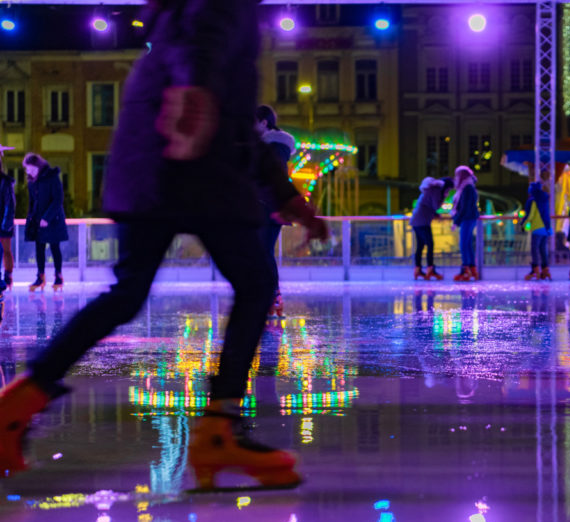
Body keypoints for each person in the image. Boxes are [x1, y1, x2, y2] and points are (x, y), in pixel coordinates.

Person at [0, 0, 326, 488]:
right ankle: (219, 427)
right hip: (188, 160)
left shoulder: (181, 20)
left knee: (129, 293)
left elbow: (234, 116)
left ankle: (17, 406)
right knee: (256, 282)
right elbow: (201, 45)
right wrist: (192, 93)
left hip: (155, 161)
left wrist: (285, 197)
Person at [254, 104, 296, 318]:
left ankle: (273, 296)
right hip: (266, 205)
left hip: (268, 206)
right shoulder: (270, 146)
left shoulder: (274, 146)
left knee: (264, 251)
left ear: (264, 122)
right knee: (262, 251)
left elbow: (274, 176)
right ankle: (270, 295)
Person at [22, 153, 67, 293]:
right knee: (39, 248)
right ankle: (40, 277)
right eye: (27, 169)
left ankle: (58, 276)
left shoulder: (52, 178)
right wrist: (30, 218)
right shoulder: (31, 182)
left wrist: (47, 218)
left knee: (54, 247)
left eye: (31, 168)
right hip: (37, 220)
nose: (28, 171)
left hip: (53, 220)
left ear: (38, 167)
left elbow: (58, 199)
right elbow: (32, 202)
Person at [410, 176, 453, 280]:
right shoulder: (436, 191)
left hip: (417, 220)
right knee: (430, 244)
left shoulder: (430, 190)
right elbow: (435, 206)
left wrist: (435, 214)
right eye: (448, 189)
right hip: (422, 221)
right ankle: (430, 269)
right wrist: (444, 198)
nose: (448, 191)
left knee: (420, 246)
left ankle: (418, 269)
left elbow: (428, 205)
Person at [451, 165, 480, 282]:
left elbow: (464, 207)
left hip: (467, 218)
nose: (456, 177)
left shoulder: (467, 188)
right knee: (467, 244)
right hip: (469, 218)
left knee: (463, 244)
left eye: (457, 175)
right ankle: (472, 269)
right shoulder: (468, 187)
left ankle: (466, 270)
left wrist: (456, 221)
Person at [521, 179, 553, 281]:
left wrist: (523, 224)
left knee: (534, 249)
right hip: (547, 228)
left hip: (537, 228)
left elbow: (530, 215)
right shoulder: (544, 198)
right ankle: (545, 269)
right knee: (543, 250)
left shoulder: (533, 200)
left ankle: (536, 269)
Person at [0, 145, 14, 293]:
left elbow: (10, 204)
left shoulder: (5, 182)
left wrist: (6, 224)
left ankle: (8, 276)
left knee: (6, 250)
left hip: (4, 223)